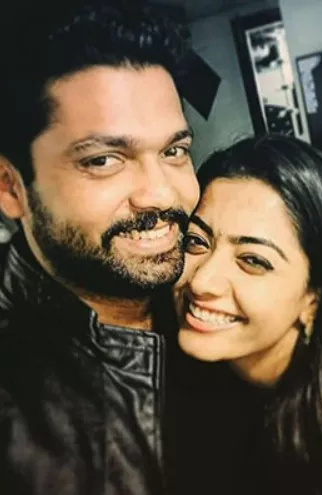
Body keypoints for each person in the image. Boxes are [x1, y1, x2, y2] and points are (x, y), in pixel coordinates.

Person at [0, 1, 199, 494]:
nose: (161, 194)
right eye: (105, 160)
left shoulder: (218, 304)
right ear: (9, 187)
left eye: (174, 151)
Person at [175, 134, 322, 494]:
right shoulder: (210, 380)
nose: (202, 280)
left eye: (253, 261)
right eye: (196, 242)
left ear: (315, 299)